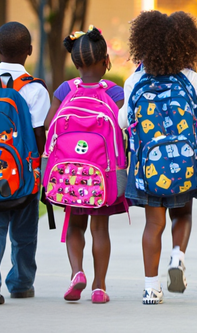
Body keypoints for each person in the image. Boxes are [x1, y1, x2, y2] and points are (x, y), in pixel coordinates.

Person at [118, 11, 197, 305]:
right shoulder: (189, 77)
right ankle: (177, 257)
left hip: (147, 169)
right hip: (184, 164)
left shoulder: (135, 79)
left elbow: (124, 121)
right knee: (183, 214)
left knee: (153, 225)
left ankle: (151, 288)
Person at [44, 27, 126, 303]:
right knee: (99, 230)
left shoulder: (65, 89)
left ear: (75, 63)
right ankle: (99, 286)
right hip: (101, 176)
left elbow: (48, 125)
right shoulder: (115, 93)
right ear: (106, 62)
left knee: (75, 228)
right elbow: (124, 129)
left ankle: (77, 272)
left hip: (69, 174)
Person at [0, 22, 49, 305]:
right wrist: (39, 168)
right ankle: (22, 284)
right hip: (24, 171)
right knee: (24, 231)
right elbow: (38, 132)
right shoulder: (35, 89)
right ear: (30, 51)